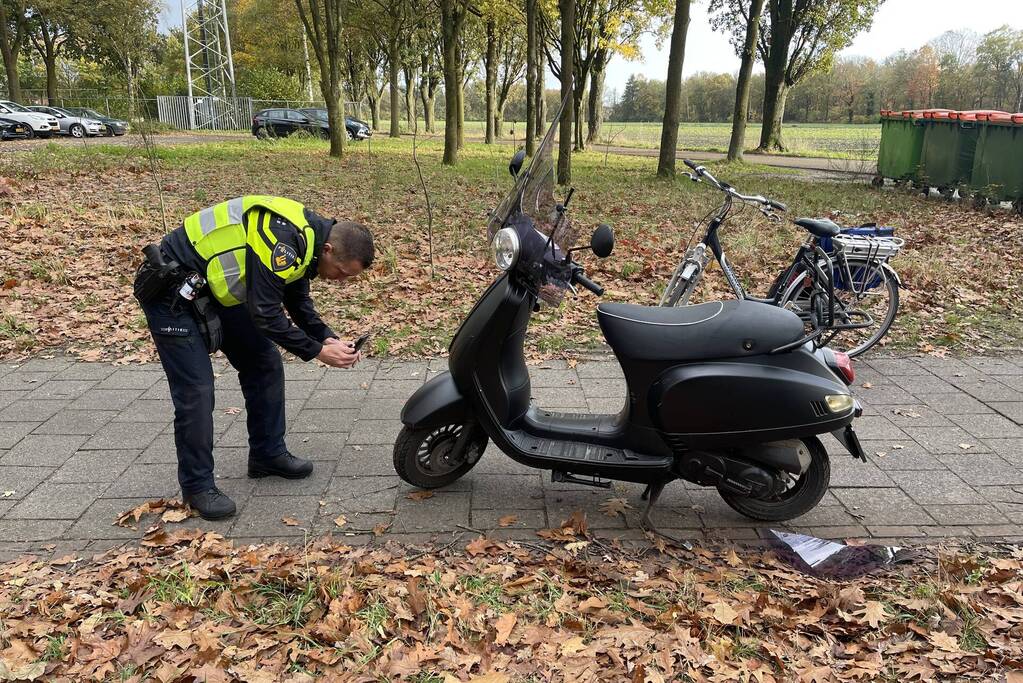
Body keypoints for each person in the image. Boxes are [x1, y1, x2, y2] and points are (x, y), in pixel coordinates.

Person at [135, 196, 374, 520]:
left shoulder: (308, 240)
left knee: (264, 362)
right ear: (329, 251)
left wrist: (326, 337)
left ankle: (267, 454)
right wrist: (318, 352)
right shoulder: (284, 242)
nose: (341, 280)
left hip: (214, 288)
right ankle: (197, 487)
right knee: (197, 390)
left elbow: (296, 299)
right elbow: (266, 314)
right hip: (171, 290)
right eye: (342, 273)